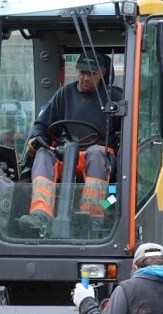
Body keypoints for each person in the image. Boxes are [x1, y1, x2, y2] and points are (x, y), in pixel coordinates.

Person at [18, 51, 121, 235]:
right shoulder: (63, 94)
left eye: (92, 73)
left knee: (96, 153)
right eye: (82, 72)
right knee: (43, 154)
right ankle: (40, 216)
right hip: (65, 154)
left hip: (100, 156)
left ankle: (93, 217)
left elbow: (127, 131)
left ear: (103, 72)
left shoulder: (114, 98)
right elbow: (41, 124)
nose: (85, 77)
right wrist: (36, 138)